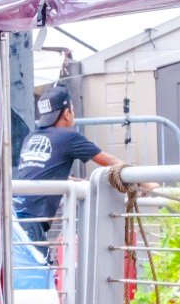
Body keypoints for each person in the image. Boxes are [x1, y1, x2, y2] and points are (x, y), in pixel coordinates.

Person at [14, 84, 119, 244]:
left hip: (13, 216)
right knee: (34, 268)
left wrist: (85, 184)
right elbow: (112, 164)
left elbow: (47, 175)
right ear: (67, 113)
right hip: (31, 222)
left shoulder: (31, 137)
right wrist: (149, 183)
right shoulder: (68, 137)